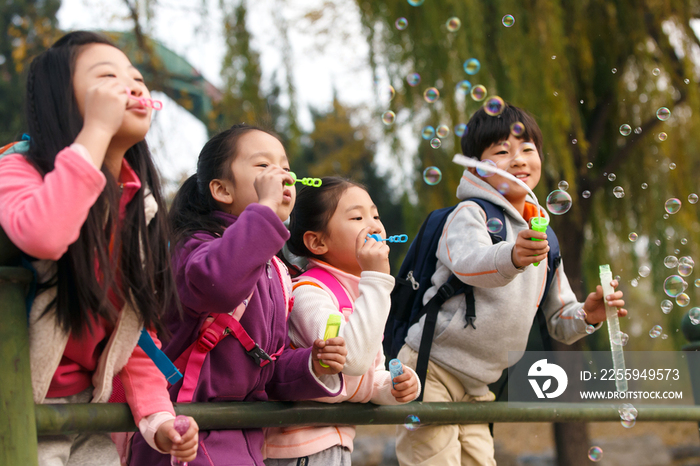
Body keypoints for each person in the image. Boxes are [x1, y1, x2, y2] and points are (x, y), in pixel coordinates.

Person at [0, 31, 198, 465]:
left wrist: (159, 419)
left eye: (137, 76)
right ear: (61, 101)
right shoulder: (16, 168)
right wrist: (96, 130)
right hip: (13, 410)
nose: (133, 85)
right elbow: (45, 234)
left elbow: (131, 334)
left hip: (85, 417)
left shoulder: (137, 209)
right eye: (108, 76)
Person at [394, 103, 627, 466]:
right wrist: (512, 257)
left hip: (480, 384)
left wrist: (588, 315)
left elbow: (557, 322)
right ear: (477, 167)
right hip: (431, 367)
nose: (518, 159)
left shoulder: (544, 235)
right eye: (502, 151)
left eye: (527, 149)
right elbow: (471, 264)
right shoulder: (469, 214)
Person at [129, 125, 347, 466]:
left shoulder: (274, 268)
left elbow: (267, 368)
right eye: (263, 166)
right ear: (221, 189)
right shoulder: (194, 248)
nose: (281, 175)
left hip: (243, 440)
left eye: (284, 166)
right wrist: (266, 211)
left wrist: (312, 364)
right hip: (183, 435)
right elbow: (220, 284)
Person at [264, 177, 420, 466]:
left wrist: (395, 386)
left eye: (375, 214)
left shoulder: (361, 294)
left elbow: (366, 376)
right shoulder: (308, 293)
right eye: (358, 217)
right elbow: (354, 361)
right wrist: (376, 279)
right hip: (299, 448)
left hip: (333, 442)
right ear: (317, 241)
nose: (374, 225)